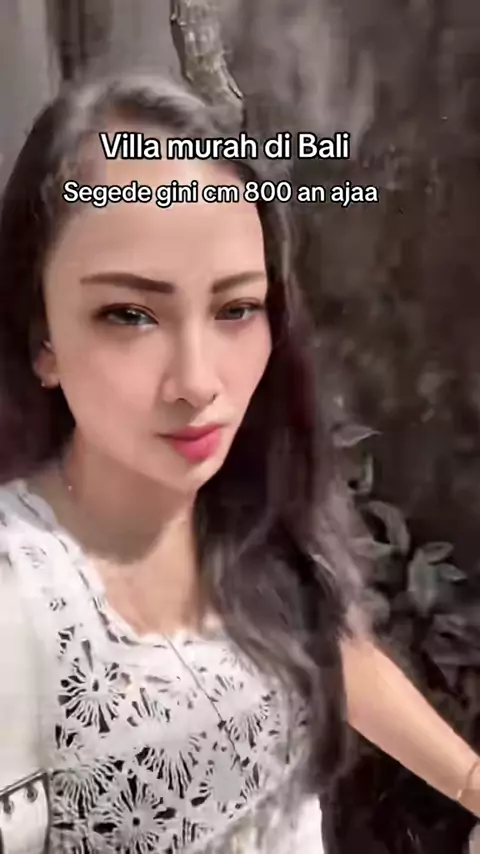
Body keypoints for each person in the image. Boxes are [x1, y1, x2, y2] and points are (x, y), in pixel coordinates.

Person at [0, 72, 477, 854]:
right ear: (40, 337)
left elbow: (328, 644)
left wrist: (470, 781)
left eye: (236, 308)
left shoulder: (243, 509)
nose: (198, 382)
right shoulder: (21, 601)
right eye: (131, 313)